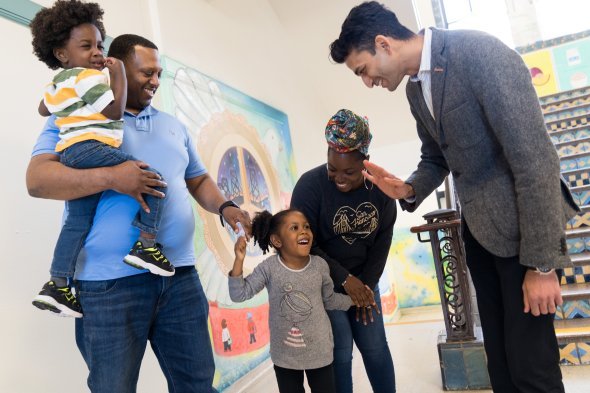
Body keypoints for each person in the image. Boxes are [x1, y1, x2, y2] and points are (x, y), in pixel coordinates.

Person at [329, 2, 580, 392]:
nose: (367, 82)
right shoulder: (416, 89)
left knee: (533, 370)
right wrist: (408, 188)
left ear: (383, 44)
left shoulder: (479, 53)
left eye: (363, 69)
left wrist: (543, 265)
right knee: (500, 366)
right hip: (480, 238)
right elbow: (436, 156)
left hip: (524, 239)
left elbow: (536, 160)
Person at [26, 32, 251, 392]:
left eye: (158, 73)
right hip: (107, 286)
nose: (155, 81)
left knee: (197, 385)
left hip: (180, 277)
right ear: (116, 67)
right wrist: (113, 176)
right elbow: (37, 181)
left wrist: (226, 207)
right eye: (147, 72)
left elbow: (197, 179)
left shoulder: (173, 125)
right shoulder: (75, 117)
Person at [29, 0, 173, 319]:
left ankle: (57, 285)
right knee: (153, 180)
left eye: (99, 45)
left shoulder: (59, 82)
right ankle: (147, 246)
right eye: (86, 46)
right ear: (62, 54)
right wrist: (117, 74)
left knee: (77, 222)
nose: (96, 52)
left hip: (71, 153)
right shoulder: (87, 79)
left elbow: (43, 108)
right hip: (91, 147)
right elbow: (113, 111)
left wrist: (65, 101)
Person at [290, 109, 397, 393]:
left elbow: (382, 241)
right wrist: (344, 280)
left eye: (349, 172)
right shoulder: (309, 187)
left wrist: (366, 287)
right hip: (325, 285)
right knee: (339, 354)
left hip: (364, 283)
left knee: (375, 348)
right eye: (332, 169)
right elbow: (304, 244)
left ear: (365, 162)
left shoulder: (382, 190)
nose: (339, 178)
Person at [229, 209, 356, 393]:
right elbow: (239, 294)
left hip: (319, 352)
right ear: (277, 241)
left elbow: (329, 300)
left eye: (306, 227)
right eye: (294, 228)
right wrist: (239, 260)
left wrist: (354, 301)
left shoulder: (320, 265)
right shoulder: (269, 268)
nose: (304, 231)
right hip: (285, 357)